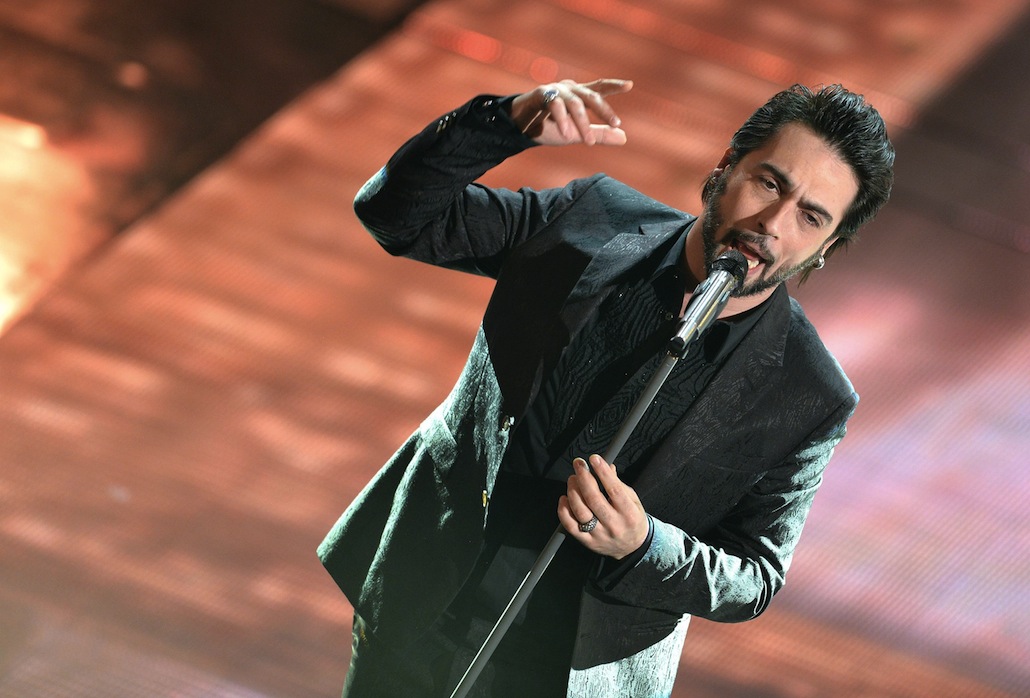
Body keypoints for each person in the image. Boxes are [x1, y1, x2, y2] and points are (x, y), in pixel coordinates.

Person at [318, 78, 895, 697]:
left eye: (811, 216)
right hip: (423, 596)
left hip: (568, 676)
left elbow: (755, 576)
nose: (771, 224)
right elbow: (396, 217)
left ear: (827, 246)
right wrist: (502, 125)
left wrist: (643, 543)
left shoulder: (808, 393)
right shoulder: (591, 219)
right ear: (726, 166)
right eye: (770, 183)